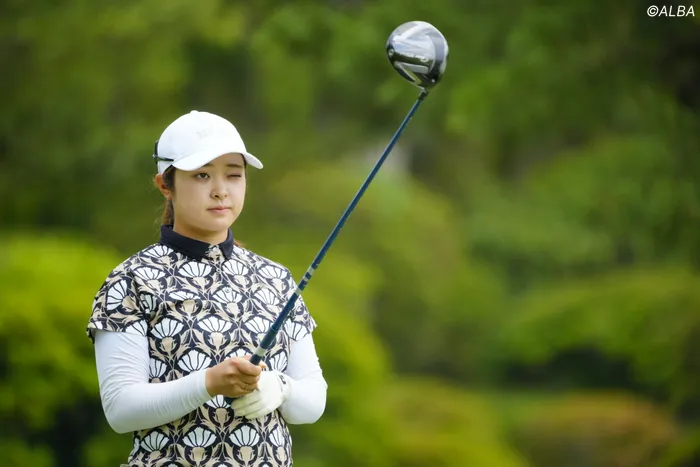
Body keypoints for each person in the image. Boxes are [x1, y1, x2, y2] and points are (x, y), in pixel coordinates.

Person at [86, 110, 328, 467]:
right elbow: (121, 410)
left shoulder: (275, 279)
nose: (220, 190)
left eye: (234, 174)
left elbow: (313, 401)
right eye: (202, 175)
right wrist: (208, 383)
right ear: (165, 185)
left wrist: (280, 387)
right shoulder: (132, 279)